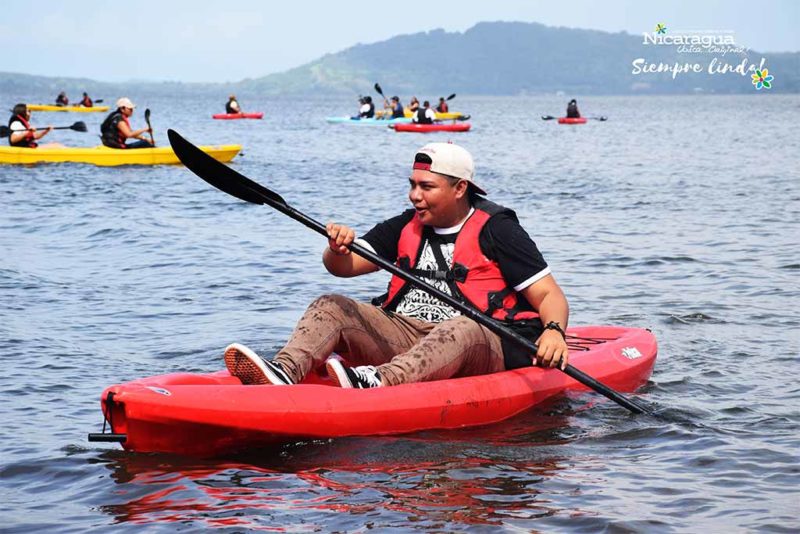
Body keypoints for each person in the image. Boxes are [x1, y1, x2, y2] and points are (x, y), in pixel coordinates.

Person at [223, 142, 570, 390]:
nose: (414, 195)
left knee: (460, 327)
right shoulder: (407, 225)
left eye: (426, 187)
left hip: (477, 342)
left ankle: (379, 382)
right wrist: (336, 249)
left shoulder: (499, 229)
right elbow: (343, 267)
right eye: (412, 185)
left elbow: (549, 294)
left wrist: (554, 330)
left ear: (460, 188)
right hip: (406, 335)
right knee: (331, 304)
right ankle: (284, 370)